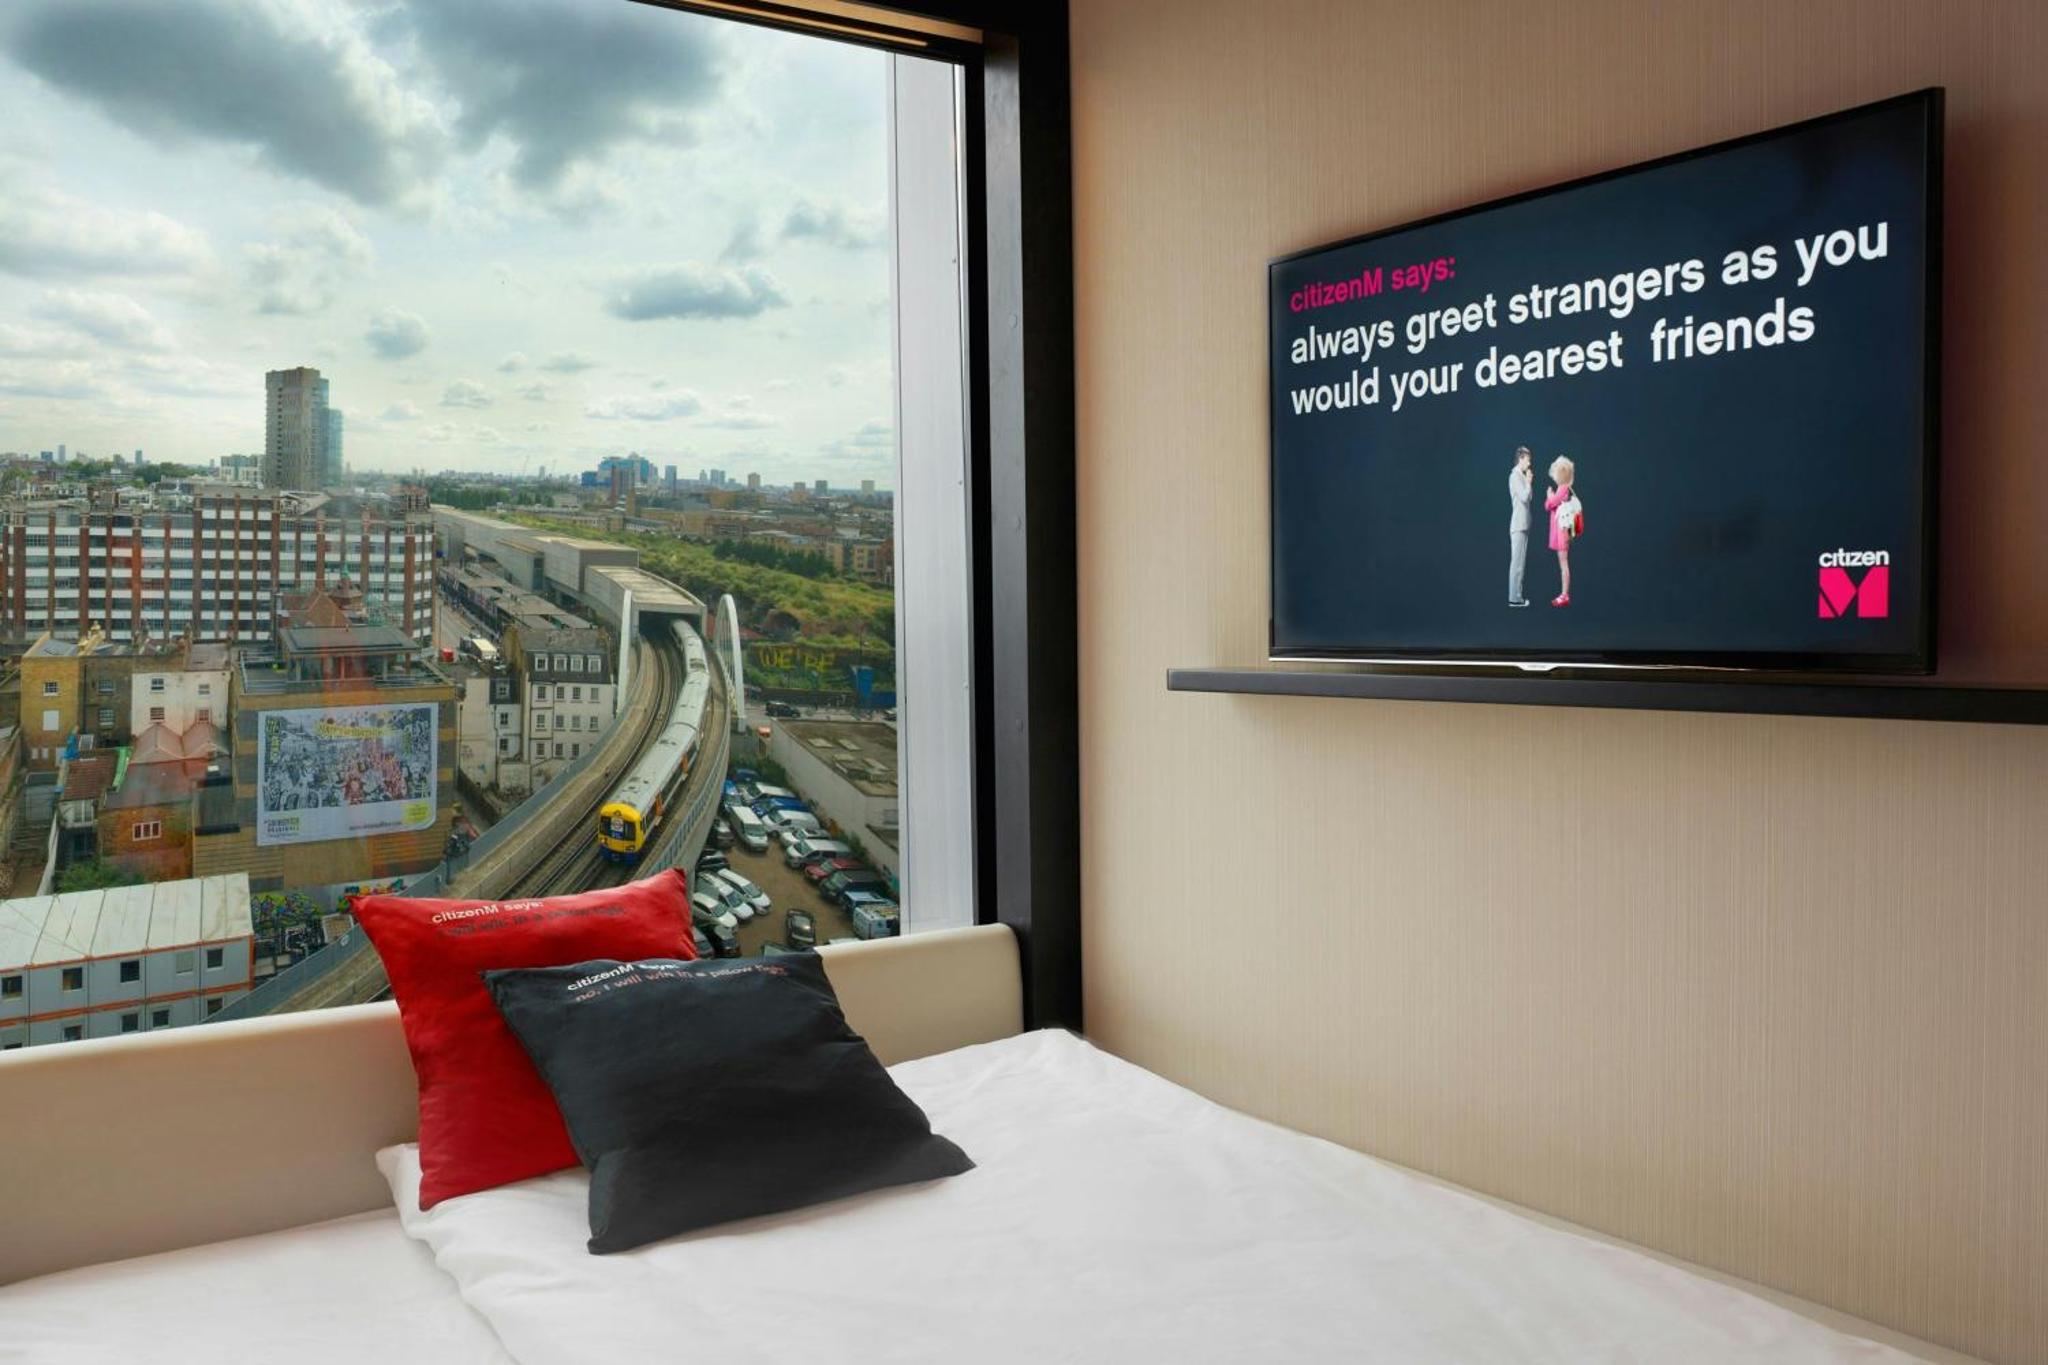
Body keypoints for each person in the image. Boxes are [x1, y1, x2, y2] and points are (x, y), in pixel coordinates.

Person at [1544, 455, 1578, 607]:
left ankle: (1565, 594)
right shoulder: (1564, 489)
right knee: (1563, 562)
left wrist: (1549, 496)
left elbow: (1550, 504)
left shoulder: (1563, 489)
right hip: (1562, 531)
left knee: (1564, 563)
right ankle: (1564, 593)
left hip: (1562, 532)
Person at [1506, 446, 1533, 607]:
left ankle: (1517, 596)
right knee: (1516, 562)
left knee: (1520, 562)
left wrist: (1528, 482)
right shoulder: (1515, 476)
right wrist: (1528, 482)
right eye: (1528, 459)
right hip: (1518, 524)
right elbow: (1524, 497)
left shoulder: (1520, 476)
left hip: (1523, 524)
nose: (1529, 463)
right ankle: (1514, 598)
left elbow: (1529, 497)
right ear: (1521, 458)